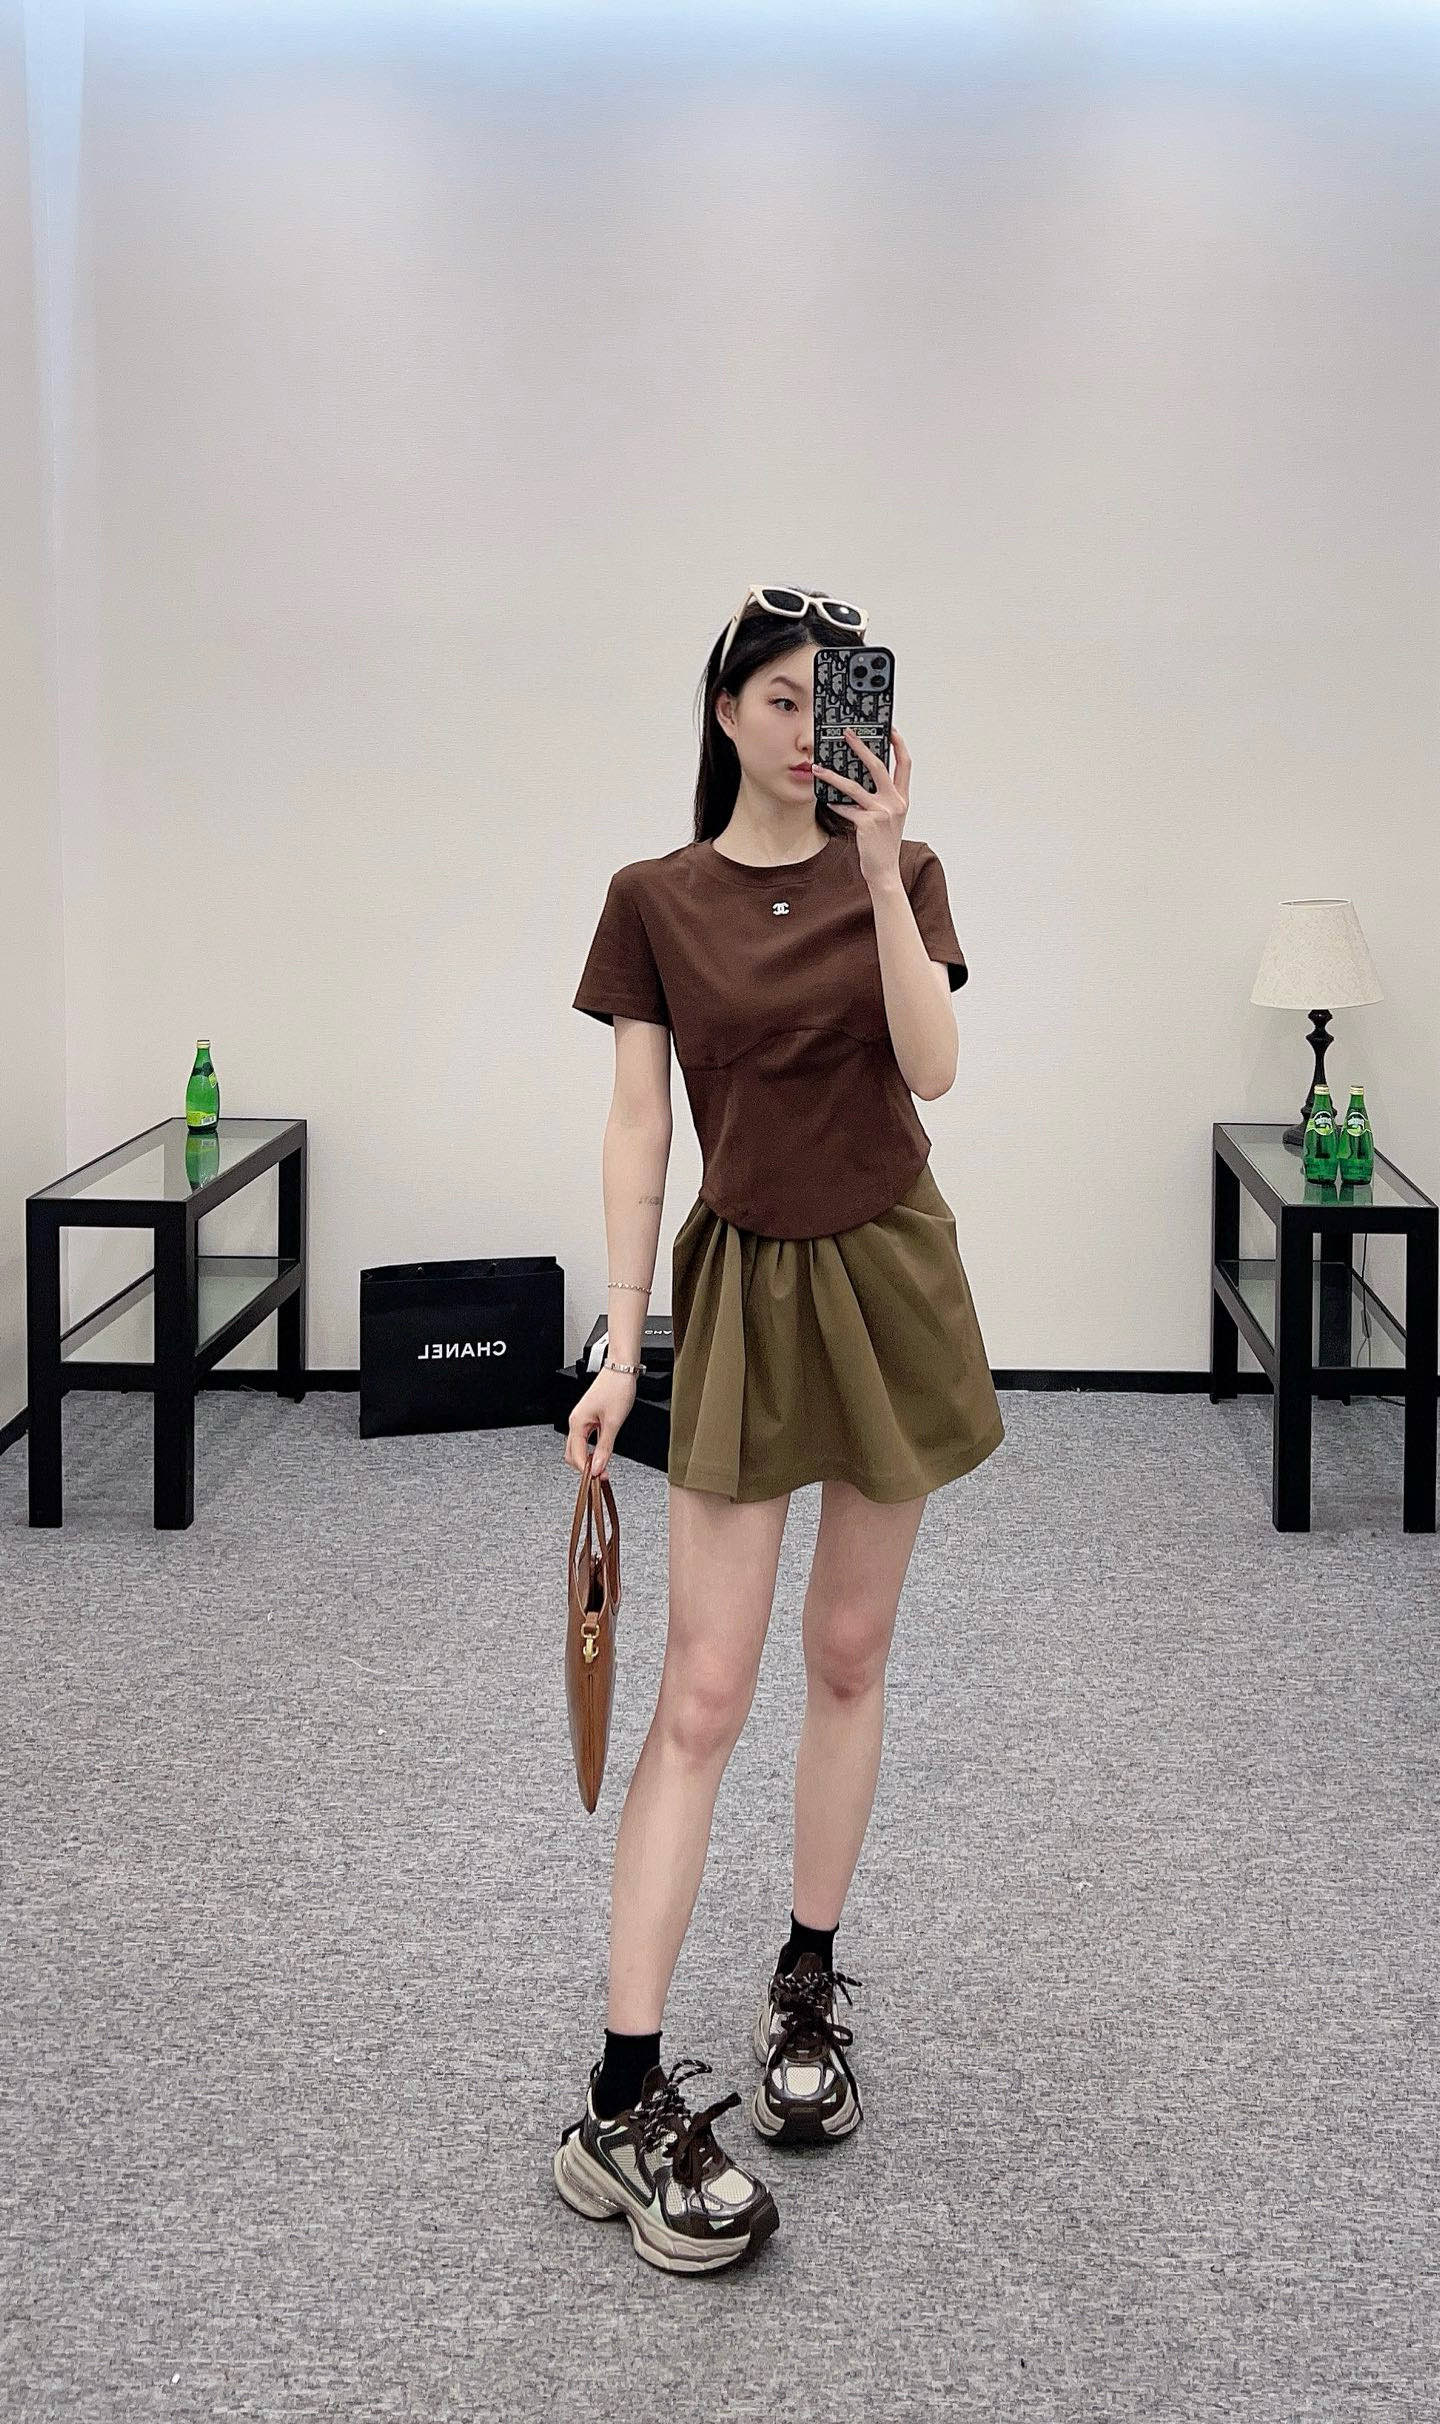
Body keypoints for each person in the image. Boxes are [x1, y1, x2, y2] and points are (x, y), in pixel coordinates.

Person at [552, 582, 1006, 2276]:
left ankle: (805, 1987)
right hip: (741, 1291)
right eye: (786, 699)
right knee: (703, 1690)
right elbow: (637, 1131)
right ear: (726, 710)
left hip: (890, 1273)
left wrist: (882, 871)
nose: (816, 729)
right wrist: (621, 1342)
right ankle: (618, 2095)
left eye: (840, 699)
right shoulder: (653, 900)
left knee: (849, 1652)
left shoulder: (907, 868)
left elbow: (933, 1067)